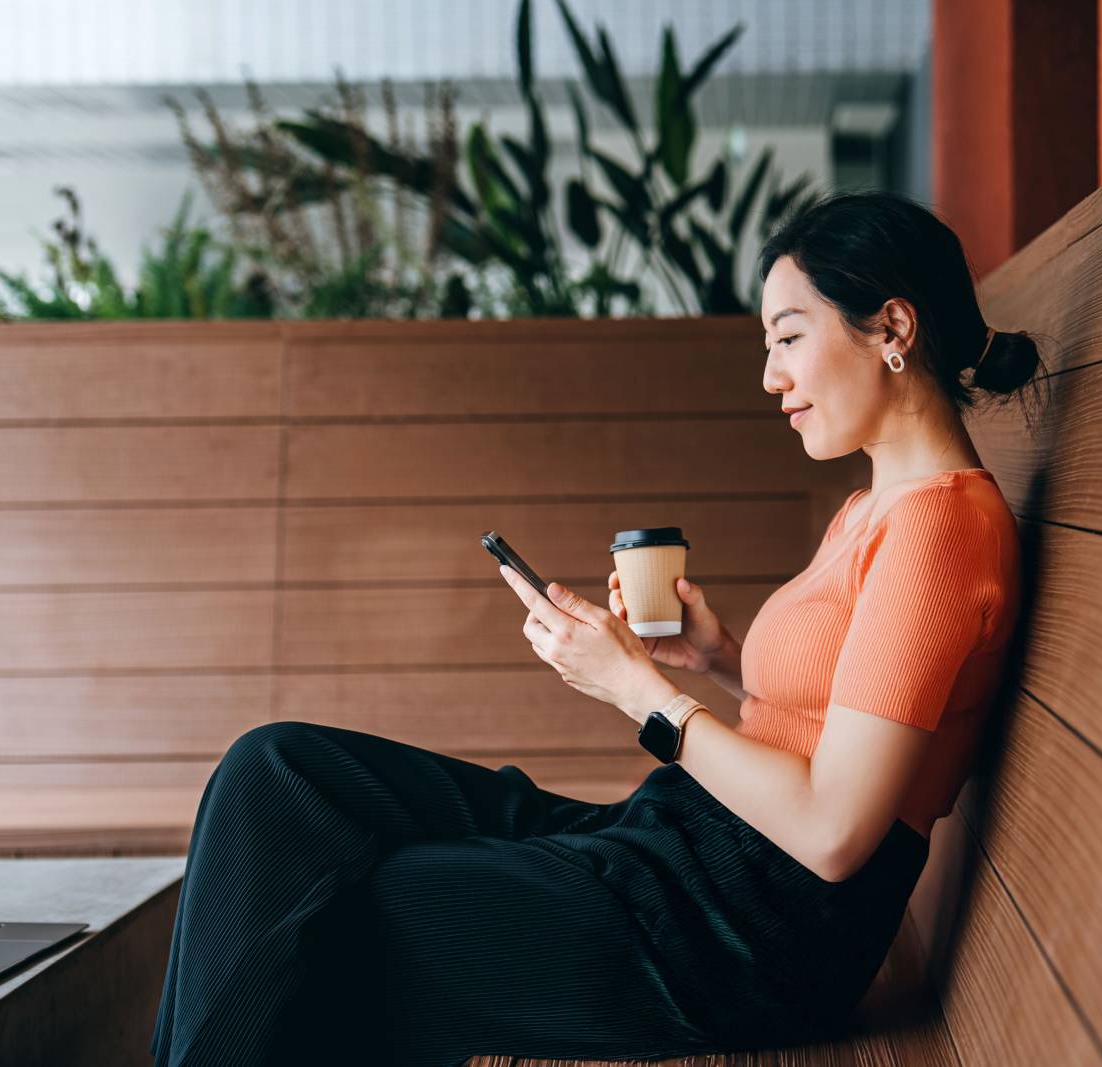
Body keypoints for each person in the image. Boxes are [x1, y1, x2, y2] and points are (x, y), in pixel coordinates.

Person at [148, 190, 1046, 1067]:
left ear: (892, 329)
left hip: (745, 932)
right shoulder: (875, 507)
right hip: (684, 848)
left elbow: (835, 831)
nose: (771, 375)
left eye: (788, 339)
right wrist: (717, 661)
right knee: (277, 774)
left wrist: (640, 692)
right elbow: (842, 721)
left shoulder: (939, 528)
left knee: (356, 901)